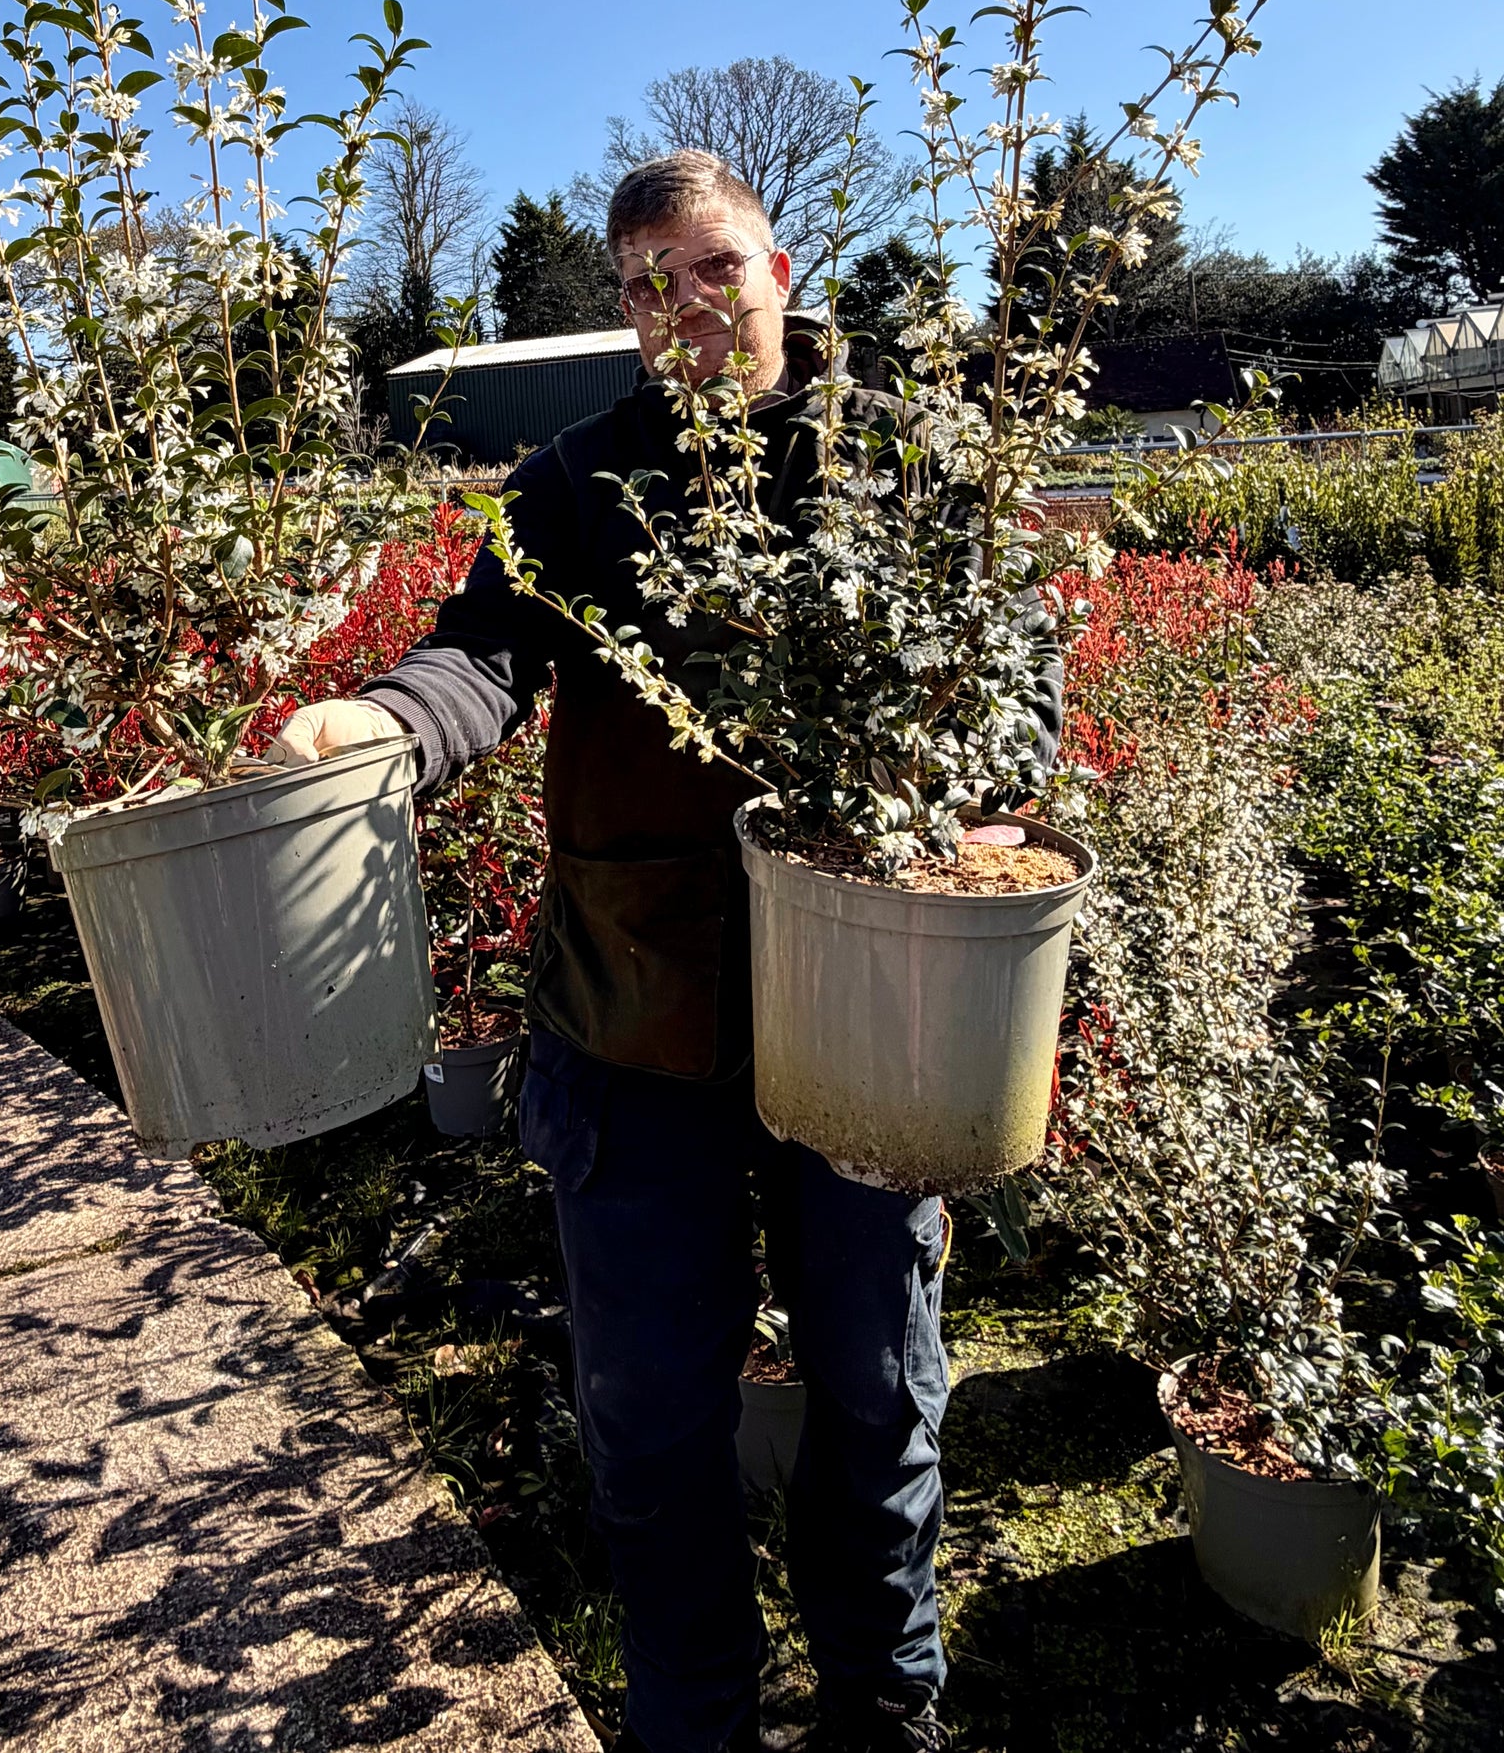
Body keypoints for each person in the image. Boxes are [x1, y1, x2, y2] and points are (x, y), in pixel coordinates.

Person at [272, 149, 1061, 1753]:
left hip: (876, 1007)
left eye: (713, 270)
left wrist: (980, 801)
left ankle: (880, 1707)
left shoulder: (904, 465)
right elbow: (484, 655)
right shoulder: (574, 482)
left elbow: (1018, 666)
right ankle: (692, 1722)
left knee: (878, 1396)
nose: (681, 310)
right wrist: (384, 722)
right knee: (647, 1419)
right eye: (644, 287)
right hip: (637, 1021)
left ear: (780, 271)